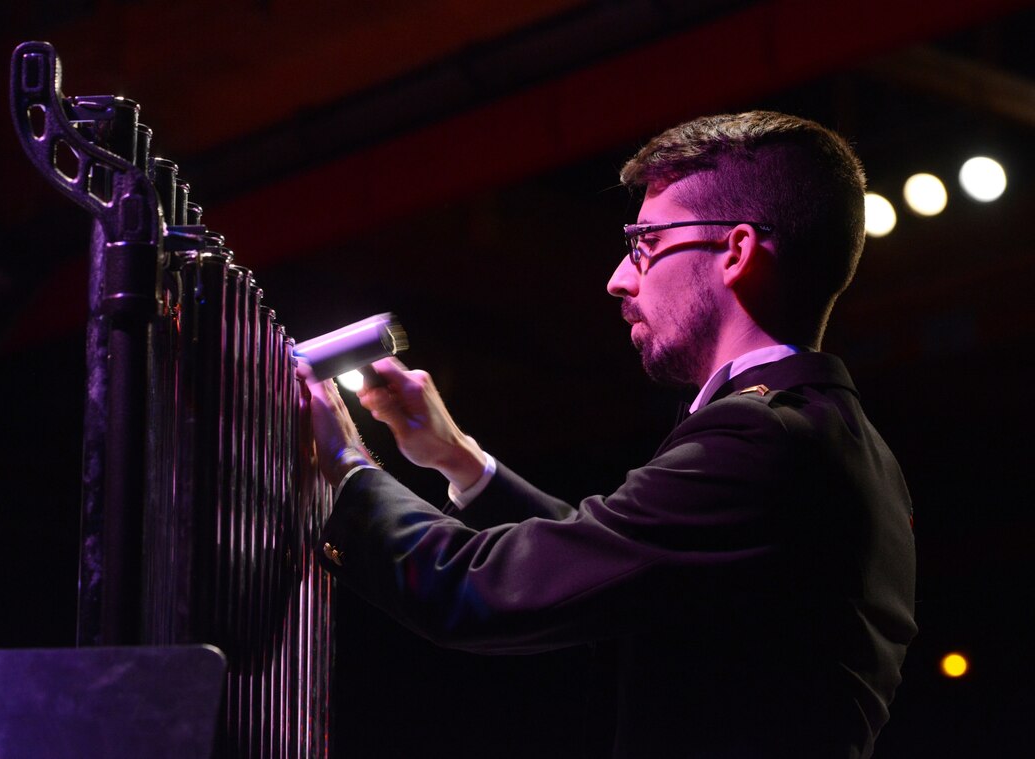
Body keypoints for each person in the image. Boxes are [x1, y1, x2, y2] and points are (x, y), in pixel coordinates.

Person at [302, 111, 917, 758]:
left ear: (734, 252)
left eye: (646, 241)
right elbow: (610, 573)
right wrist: (459, 461)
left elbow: (475, 592)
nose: (619, 278)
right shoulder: (823, 433)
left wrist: (345, 468)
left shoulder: (763, 441)